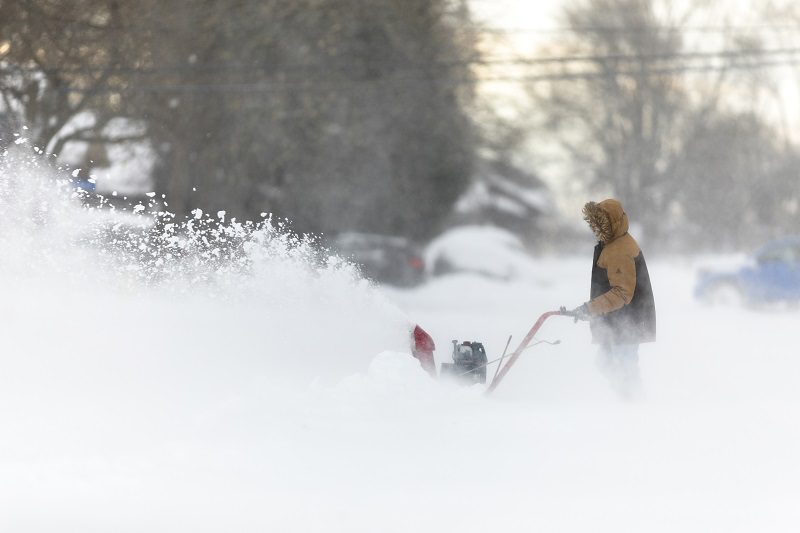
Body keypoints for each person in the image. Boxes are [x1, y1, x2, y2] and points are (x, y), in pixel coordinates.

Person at [568, 199, 656, 400]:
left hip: (628, 321)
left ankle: (634, 404)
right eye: (593, 224)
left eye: (599, 224)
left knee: (624, 365)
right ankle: (626, 399)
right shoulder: (613, 243)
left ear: (612, 223)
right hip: (616, 320)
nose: (595, 228)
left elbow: (622, 293)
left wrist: (590, 309)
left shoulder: (620, 250)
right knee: (606, 363)